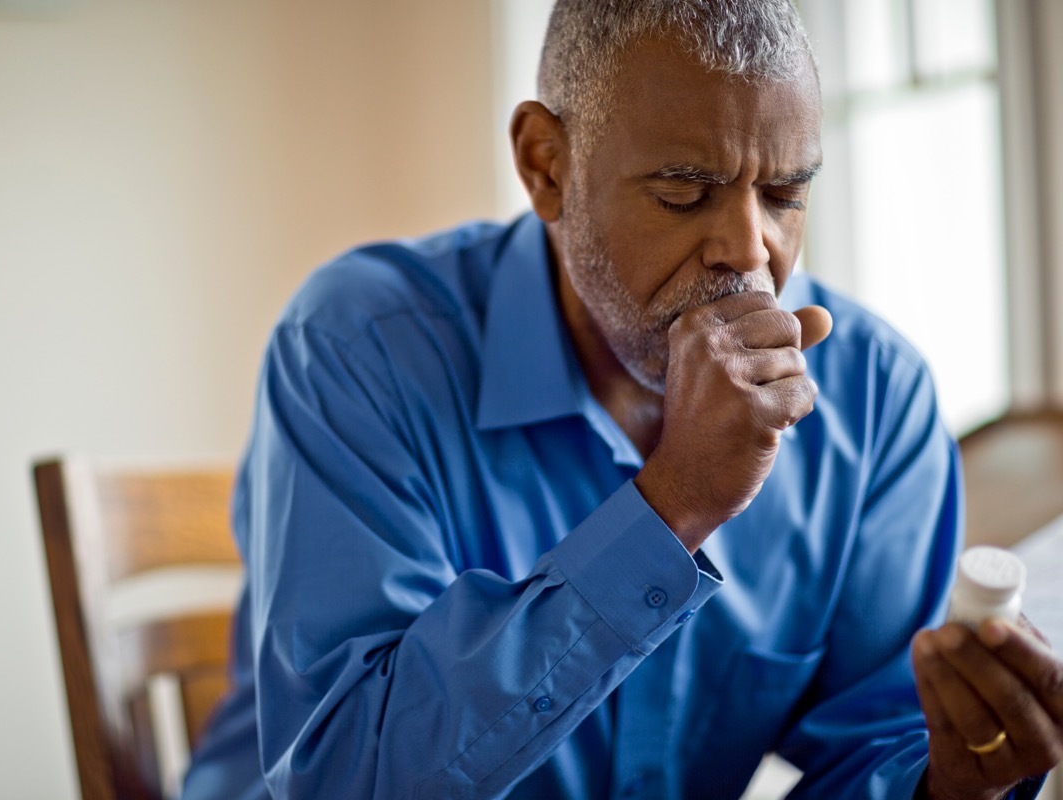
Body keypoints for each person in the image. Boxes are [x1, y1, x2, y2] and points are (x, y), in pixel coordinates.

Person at [183, 1, 1063, 797]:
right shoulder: (359, 347)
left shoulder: (875, 401)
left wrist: (951, 783)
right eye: (685, 194)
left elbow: (876, 751)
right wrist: (674, 504)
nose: (748, 252)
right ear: (546, 167)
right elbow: (345, 779)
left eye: (786, 195)